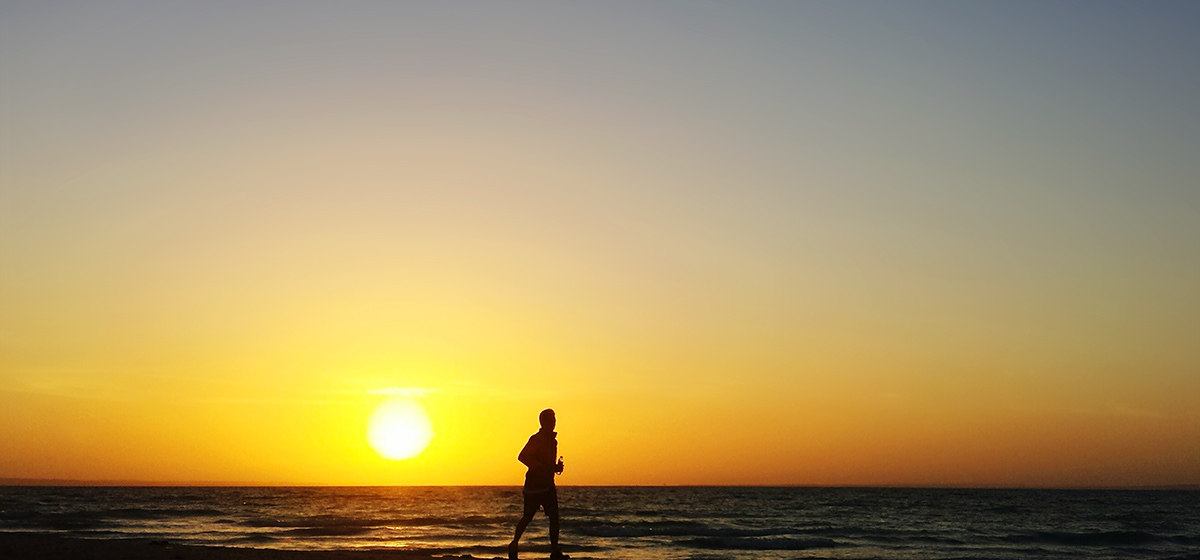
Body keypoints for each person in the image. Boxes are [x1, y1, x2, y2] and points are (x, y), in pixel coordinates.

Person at [509, 408, 566, 560]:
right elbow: (522, 457)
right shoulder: (536, 439)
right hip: (534, 486)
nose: (554, 423)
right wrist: (540, 467)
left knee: (554, 517)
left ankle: (554, 550)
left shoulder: (553, 441)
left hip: (547, 485)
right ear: (543, 422)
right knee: (528, 517)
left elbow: (548, 464)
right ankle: (514, 544)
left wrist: (555, 468)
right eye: (551, 420)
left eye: (554, 420)